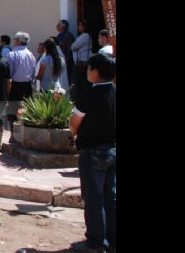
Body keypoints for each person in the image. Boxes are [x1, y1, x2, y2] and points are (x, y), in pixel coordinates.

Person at [70, 53, 116, 253]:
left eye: (89, 68)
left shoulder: (89, 94)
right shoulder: (115, 92)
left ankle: (96, 243)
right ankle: (112, 239)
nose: (87, 71)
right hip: (113, 150)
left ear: (95, 72)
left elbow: (74, 123)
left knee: (94, 198)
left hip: (93, 151)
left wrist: (72, 134)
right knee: (111, 196)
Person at [6, 32, 36, 143]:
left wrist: (8, 90)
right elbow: (33, 72)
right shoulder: (30, 54)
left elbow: (8, 74)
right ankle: (25, 135)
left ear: (18, 41)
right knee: (26, 110)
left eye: (15, 39)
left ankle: (14, 136)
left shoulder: (12, 54)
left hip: (15, 85)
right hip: (27, 85)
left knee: (13, 111)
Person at [71, 20, 92, 99]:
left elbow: (73, 47)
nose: (78, 27)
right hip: (83, 63)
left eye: (80, 25)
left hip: (82, 63)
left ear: (84, 27)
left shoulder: (85, 35)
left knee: (82, 83)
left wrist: (74, 46)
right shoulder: (84, 36)